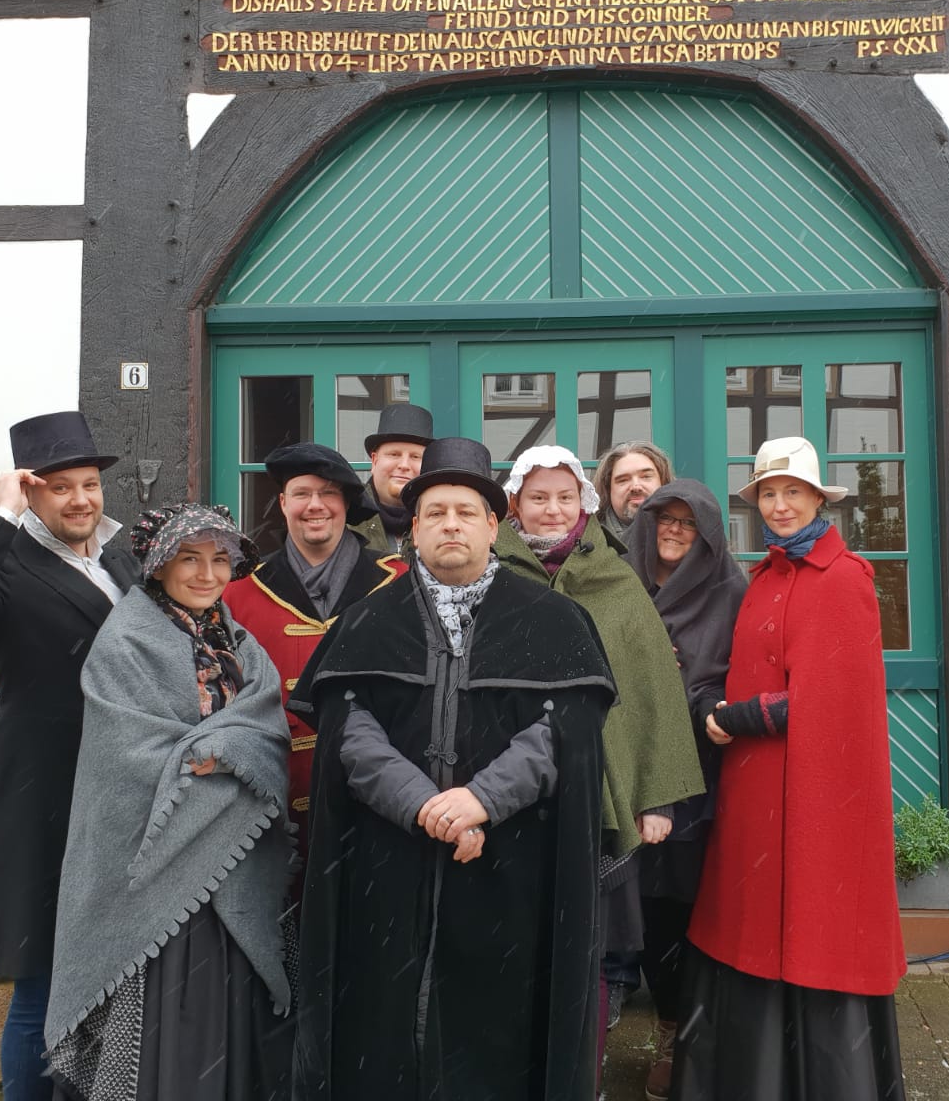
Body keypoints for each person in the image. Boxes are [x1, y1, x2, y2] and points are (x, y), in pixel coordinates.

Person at [289, 437, 613, 1101]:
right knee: (382, 1027)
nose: (451, 525)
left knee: (501, 1034)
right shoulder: (366, 621)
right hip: (388, 868)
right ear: (414, 527)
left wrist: (480, 801)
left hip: (512, 869)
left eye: (466, 512)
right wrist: (424, 805)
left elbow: (561, 732)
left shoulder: (553, 622)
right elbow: (350, 731)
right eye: (435, 513)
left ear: (494, 525)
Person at [0, 411, 138, 1101]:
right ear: (31, 493)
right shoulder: (6, 561)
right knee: (41, 985)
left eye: (90, 484)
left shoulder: (121, 558)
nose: (80, 500)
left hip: (126, 791)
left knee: (120, 980)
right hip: (43, 793)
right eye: (59, 487)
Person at [675, 436, 907, 1101]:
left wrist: (735, 717)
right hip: (756, 793)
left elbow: (831, 701)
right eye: (768, 494)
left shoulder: (845, 578)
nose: (779, 505)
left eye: (791, 493)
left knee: (813, 932)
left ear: (815, 499)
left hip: (814, 801)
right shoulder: (765, 577)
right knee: (750, 934)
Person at [46, 503, 293, 1101]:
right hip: (154, 866)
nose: (208, 574)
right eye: (190, 559)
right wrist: (217, 750)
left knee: (231, 1000)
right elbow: (125, 751)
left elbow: (268, 726)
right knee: (171, 1005)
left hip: (232, 862)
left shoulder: (235, 637)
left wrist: (221, 747)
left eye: (219, 560)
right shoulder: (126, 640)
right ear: (158, 565)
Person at [494, 446, 703, 1049]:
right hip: (509, 776)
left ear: (583, 502)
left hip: (600, 774)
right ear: (515, 505)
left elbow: (652, 690)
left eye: (564, 497)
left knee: (599, 918)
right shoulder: (488, 572)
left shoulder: (615, 578)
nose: (552, 510)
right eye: (538, 498)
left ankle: (588, 1040)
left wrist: (656, 796)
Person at [223, 443, 405, 877]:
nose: (315, 506)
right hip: (270, 814)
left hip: (384, 805)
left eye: (328, 493)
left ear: (346, 504)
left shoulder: (399, 582)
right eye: (302, 494)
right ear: (284, 504)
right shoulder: (237, 595)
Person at [621, 479, 747, 1101]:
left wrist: (693, 691)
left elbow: (741, 673)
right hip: (630, 771)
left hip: (702, 774)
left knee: (690, 906)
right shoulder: (620, 583)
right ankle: (669, 1020)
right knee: (641, 913)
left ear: (707, 532)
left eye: (686, 522)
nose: (672, 530)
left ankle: (695, 1039)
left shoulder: (731, 590)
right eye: (663, 519)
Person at [349, 401, 434, 553]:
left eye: (415, 457)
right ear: (375, 461)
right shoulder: (346, 517)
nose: (404, 465)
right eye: (394, 454)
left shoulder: (443, 521)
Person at [592, 440, 674, 542]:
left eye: (646, 476)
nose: (636, 487)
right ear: (608, 489)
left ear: (663, 482)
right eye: (623, 480)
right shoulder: (587, 544)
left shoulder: (689, 538)